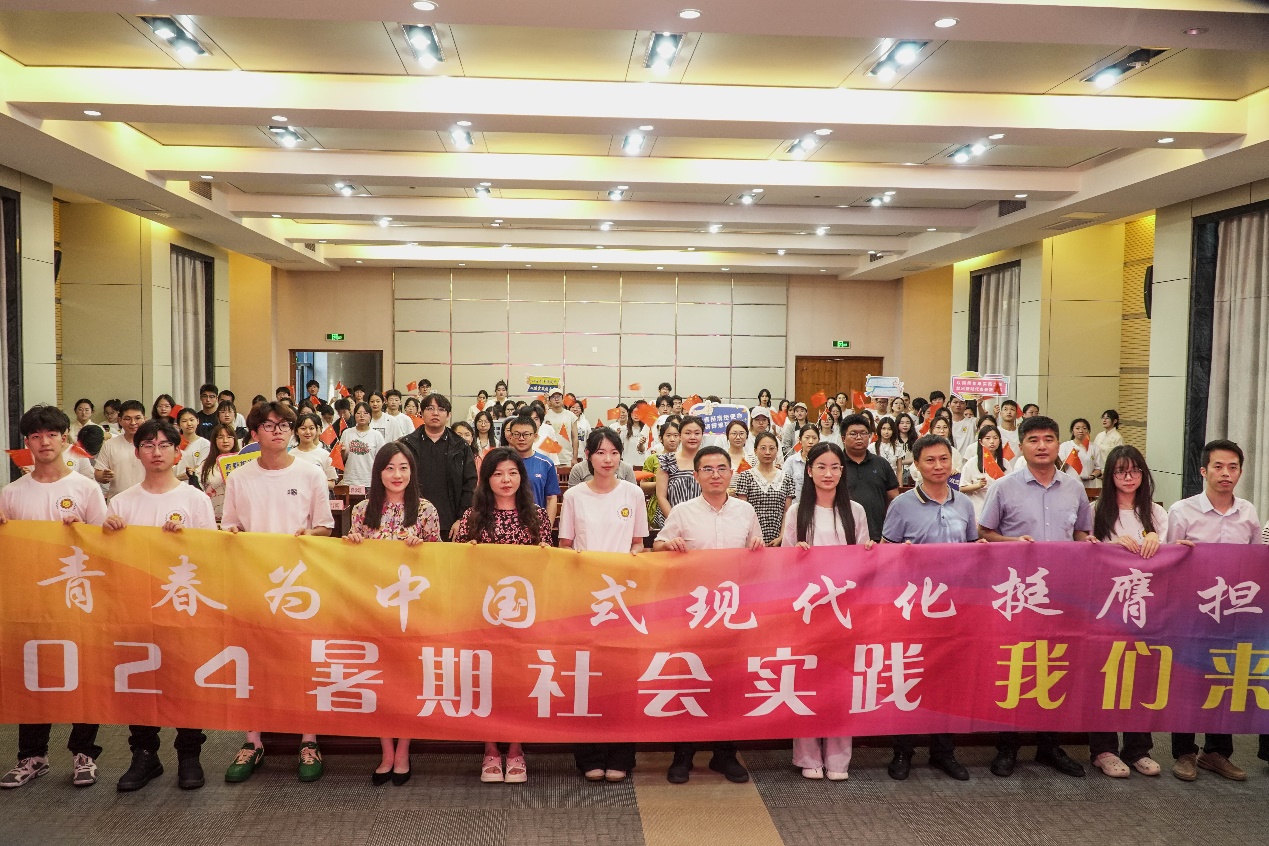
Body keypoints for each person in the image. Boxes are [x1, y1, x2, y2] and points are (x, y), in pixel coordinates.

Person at [221, 402, 334, 784]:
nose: (278, 431)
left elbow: (324, 527)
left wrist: (308, 535)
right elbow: (230, 525)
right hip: (253, 582)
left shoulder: (310, 473)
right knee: (253, 660)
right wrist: (233, 534)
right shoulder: (239, 477)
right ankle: (252, 741)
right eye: (269, 426)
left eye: (284, 425)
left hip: (299, 584)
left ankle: (309, 739)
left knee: (301, 659)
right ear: (254, 433)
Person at [102, 419, 217, 792]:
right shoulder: (121, 502)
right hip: (136, 607)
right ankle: (144, 755)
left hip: (183, 607)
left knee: (184, 680)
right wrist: (108, 535)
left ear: (177, 452)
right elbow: (106, 563)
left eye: (164, 445)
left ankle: (189, 755)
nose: (156, 452)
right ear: (137, 453)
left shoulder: (194, 499)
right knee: (140, 681)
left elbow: (211, 557)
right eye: (148, 445)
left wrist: (186, 540)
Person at [977, 415, 1093, 778]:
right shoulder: (1004, 487)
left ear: (1058, 444)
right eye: (1034, 440)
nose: (1042, 446)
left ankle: (1049, 745)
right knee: (1016, 666)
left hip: (1062, 594)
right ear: (1021, 446)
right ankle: (1007, 746)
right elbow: (985, 532)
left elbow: (1081, 533)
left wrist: (1090, 542)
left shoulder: (1074, 487)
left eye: (1048, 439)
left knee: (1054, 665)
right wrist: (1012, 542)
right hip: (1017, 596)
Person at [0, 405, 108, 790]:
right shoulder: (11, 493)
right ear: (26, 443)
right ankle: (32, 756)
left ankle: (84, 753)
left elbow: (108, 547)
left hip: (78, 600)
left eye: (51, 435)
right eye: (35, 436)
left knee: (83, 673)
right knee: (33, 675)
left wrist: (85, 532)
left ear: (65, 439)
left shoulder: (85, 488)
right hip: (30, 602)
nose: (44, 442)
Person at [654, 446, 763, 785]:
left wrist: (758, 548)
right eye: (708, 469)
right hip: (694, 613)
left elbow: (757, 555)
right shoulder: (683, 512)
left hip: (733, 612)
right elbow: (657, 546)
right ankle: (683, 755)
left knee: (729, 684)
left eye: (721, 468)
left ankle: (724, 754)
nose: (715, 475)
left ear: (731, 473)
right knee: (689, 681)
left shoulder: (745, 510)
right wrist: (667, 546)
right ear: (696, 475)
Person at [1166, 438, 1264, 783]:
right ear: (1204, 471)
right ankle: (1184, 752)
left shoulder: (1248, 513)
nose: (1226, 473)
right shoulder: (1182, 511)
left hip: (1233, 613)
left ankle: (1217, 752)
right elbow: (1168, 560)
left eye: (1233, 467)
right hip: (1191, 610)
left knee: (1225, 677)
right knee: (1188, 678)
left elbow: (1255, 563)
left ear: (1240, 472)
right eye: (1218, 467)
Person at [881, 434, 978, 782]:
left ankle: (943, 752)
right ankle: (902, 751)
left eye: (943, 459)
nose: (938, 466)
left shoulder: (964, 504)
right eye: (930, 461)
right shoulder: (902, 505)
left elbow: (972, 550)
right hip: (914, 609)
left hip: (953, 608)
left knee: (947, 680)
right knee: (908, 676)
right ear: (917, 466)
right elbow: (885, 553)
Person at [344, 444, 440, 786]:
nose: (397, 475)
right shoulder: (361, 510)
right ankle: (386, 750)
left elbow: (440, 561)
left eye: (403, 468)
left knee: (408, 679)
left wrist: (422, 548)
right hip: (373, 608)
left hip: (411, 610)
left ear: (412, 471)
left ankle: (404, 750)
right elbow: (350, 564)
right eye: (389, 468)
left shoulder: (426, 510)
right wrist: (352, 543)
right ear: (378, 472)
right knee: (379, 680)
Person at [778, 442, 874, 781]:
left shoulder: (855, 511)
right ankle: (807, 756)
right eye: (821, 466)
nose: (828, 473)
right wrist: (797, 552)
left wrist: (869, 550)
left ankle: (838, 759)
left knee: (840, 682)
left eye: (835, 467)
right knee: (806, 680)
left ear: (842, 471)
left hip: (843, 609)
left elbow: (864, 559)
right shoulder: (797, 512)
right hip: (807, 610)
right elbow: (784, 562)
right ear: (809, 471)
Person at [454, 448, 550, 784]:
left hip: (525, 615)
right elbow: (458, 567)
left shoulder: (537, 516)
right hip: (483, 614)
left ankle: (516, 748)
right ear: (486, 479)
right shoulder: (472, 516)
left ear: (521, 477)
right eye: (497, 474)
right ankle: (491, 749)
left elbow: (548, 567)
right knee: (487, 682)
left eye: (512, 473)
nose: (506, 480)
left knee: (518, 682)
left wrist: (545, 555)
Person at [558, 429, 648, 782]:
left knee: (623, 675)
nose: (607, 459)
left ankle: (622, 754)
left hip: (623, 597)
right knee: (587, 675)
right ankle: (589, 754)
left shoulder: (633, 493)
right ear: (588, 457)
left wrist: (631, 559)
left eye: (613, 452)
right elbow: (565, 545)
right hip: (585, 597)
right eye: (600, 452)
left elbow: (639, 543)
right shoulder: (574, 496)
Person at [1086, 444, 1174, 779]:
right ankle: (1103, 749)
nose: (1128, 477)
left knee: (1141, 676)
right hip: (1105, 608)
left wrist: (1159, 544)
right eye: (1121, 471)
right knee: (1105, 676)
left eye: (1135, 470)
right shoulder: (1095, 511)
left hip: (1147, 608)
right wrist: (1109, 548)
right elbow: (1082, 552)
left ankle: (1138, 749)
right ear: (1110, 475)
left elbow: (1175, 555)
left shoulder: (1156, 513)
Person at [399, 393, 478, 541]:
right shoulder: (406, 444)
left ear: (448, 415)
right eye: (430, 408)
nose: (435, 413)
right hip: (412, 521)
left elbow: (470, 484)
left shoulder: (461, 446)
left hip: (450, 523)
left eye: (441, 409)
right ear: (421, 413)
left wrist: (461, 519)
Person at [840, 414, 899, 542]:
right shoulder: (836, 465)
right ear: (843, 438)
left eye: (863, 433)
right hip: (843, 536)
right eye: (853, 434)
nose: (859, 437)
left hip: (877, 535)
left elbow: (894, 499)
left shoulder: (881, 463)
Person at [733, 432, 793, 546]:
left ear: (777, 450)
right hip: (752, 541)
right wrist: (752, 538)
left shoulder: (786, 478)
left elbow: (787, 511)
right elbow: (742, 512)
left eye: (772, 448)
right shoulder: (745, 476)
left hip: (779, 540)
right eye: (763, 448)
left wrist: (781, 536)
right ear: (755, 451)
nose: (767, 452)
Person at [501, 413, 562, 522]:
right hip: (505, 524)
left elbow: (551, 498)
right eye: (517, 434)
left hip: (535, 523)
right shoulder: (500, 462)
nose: (521, 438)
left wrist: (547, 527)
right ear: (511, 436)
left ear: (535, 436)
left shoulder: (546, 463)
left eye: (526, 434)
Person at [654, 415, 706, 518]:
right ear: (680, 435)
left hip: (703, 519)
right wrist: (676, 521)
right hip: (672, 520)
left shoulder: (709, 461)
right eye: (687, 433)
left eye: (697, 433)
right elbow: (661, 496)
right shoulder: (667, 460)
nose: (692, 437)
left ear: (702, 436)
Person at [95, 399, 147, 499]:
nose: (133, 423)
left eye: (137, 418)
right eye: (127, 418)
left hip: (146, 500)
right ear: (120, 420)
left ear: (144, 419)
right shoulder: (110, 444)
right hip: (117, 500)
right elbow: (98, 473)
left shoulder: (152, 444)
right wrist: (103, 475)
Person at [957, 423, 1007, 519]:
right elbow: (962, 488)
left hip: (999, 509)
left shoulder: (1005, 463)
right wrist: (978, 485)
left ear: (1000, 440)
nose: (992, 441)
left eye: (995, 438)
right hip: (977, 510)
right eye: (987, 438)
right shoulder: (972, 463)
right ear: (980, 441)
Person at [339, 401, 386, 488]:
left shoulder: (377, 435)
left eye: (365, 413)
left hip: (369, 481)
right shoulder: (347, 433)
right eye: (358, 413)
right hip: (350, 481)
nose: (362, 416)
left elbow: (382, 460)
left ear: (370, 416)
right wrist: (342, 452)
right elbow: (341, 459)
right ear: (354, 415)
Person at [199, 423, 238, 522]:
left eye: (229, 437)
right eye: (220, 437)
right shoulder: (205, 465)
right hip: (213, 517)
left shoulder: (242, 462)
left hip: (238, 518)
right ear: (214, 441)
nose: (225, 440)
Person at [291, 412, 338, 490]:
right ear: (296, 431)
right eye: (303, 428)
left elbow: (331, 483)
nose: (307, 432)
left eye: (311, 428)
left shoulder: (325, 455)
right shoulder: (290, 454)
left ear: (316, 430)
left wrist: (315, 483)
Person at [541, 388, 579, 467]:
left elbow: (575, 437)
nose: (556, 399)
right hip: (550, 458)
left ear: (563, 399)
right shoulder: (545, 416)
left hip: (567, 458)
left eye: (558, 396)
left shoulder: (571, 415)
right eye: (553, 397)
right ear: (550, 400)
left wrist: (575, 458)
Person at [1058, 418, 1099, 485]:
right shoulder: (1065, 446)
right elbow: (1059, 467)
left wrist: (1092, 476)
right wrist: (1071, 457)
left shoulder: (1094, 447)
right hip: (1069, 484)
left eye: (1084, 428)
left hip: (1088, 485)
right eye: (1077, 428)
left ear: (1088, 431)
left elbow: (1098, 468)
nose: (1081, 431)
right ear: (1072, 431)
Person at [785, 425, 820, 504]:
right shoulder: (791, 461)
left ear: (819, 440)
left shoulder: (823, 462)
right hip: (795, 506)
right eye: (807, 438)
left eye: (814, 438)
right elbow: (785, 488)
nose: (811, 441)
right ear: (800, 440)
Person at [175, 407, 210, 482]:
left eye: (191, 420)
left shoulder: (205, 444)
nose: (189, 424)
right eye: (184, 421)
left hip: (194, 485)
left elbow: (197, 470)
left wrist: (174, 479)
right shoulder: (173, 443)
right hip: (173, 485)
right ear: (178, 424)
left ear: (197, 421)